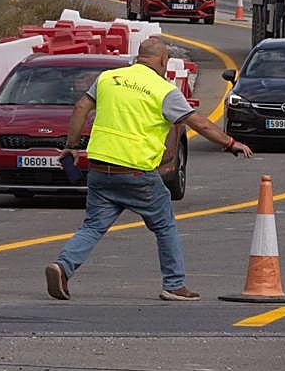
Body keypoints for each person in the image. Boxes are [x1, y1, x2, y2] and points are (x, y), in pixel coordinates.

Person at [45, 38, 252, 302]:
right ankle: (174, 284)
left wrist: (71, 147)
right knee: (164, 224)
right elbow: (199, 123)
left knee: (94, 225)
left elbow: (80, 107)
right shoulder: (163, 90)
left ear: (139, 57)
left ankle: (63, 267)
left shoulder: (109, 78)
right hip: (135, 172)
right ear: (164, 60)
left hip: (99, 167)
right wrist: (230, 142)